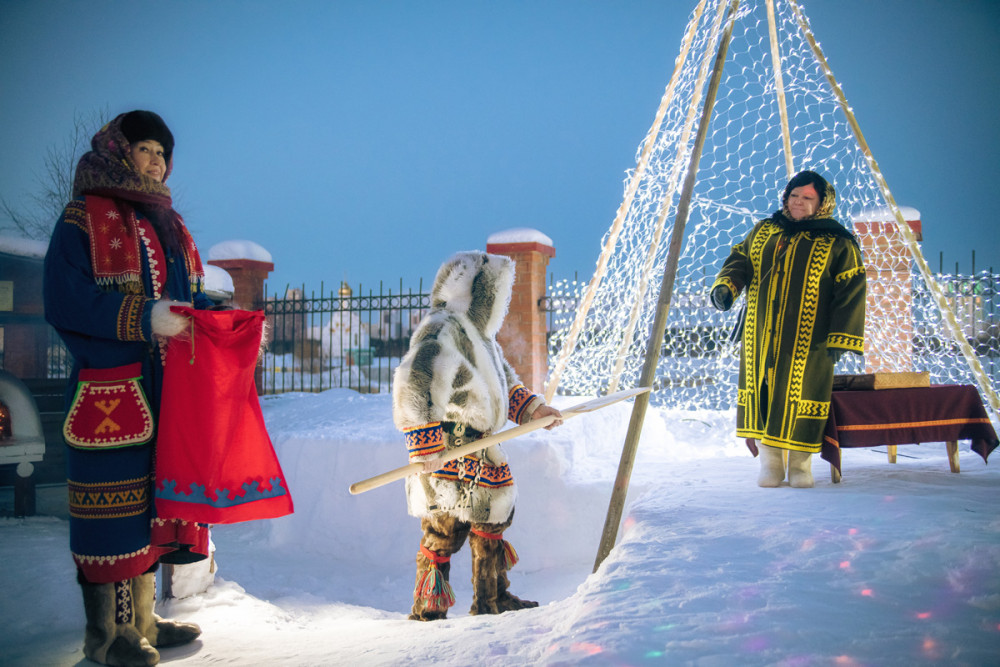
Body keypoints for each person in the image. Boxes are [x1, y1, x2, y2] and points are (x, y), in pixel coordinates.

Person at [44, 110, 211, 666]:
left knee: (148, 510)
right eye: (146, 149)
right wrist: (144, 319)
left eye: (164, 154)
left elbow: (184, 300)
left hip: (166, 393)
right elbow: (64, 301)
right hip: (111, 395)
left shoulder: (169, 226)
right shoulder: (82, 219)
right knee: (111, 515)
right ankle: (108, 637)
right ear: (117, 151)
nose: (158, 161)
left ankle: (142, 621)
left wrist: (221, 321)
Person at [392, 251, 563, 620]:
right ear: (476, 291)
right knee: (444, 530)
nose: (498, 302)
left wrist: (535, 411)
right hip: (448, 449)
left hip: (482, 448)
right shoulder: (442, 328)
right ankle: (429, 608)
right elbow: (416, 383)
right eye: (494, 293)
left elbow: (503, 382)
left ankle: (491, 599)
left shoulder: (478, 335)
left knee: (491, 522)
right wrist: (424, 443)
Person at [710, 170, 866, 488]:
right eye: (794, 196)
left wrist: (841, 336)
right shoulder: (765, 230)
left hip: (810, 340)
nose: (798, 202)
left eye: (807, 198)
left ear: (822, 204)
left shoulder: (838, 242)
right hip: (760, 333)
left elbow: (851, 289)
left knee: (801, 397)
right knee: (764, 394)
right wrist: (728, 285)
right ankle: (770, 464)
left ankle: (800, 465)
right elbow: (741, 258)